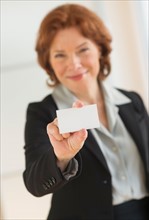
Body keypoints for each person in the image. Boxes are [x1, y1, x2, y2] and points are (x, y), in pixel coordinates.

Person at [23, 3, 149, 220]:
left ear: (100, 50)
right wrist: (61, 157)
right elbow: (36, 184)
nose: (74, 63)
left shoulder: (131, 100)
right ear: (49, 63)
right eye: (60, 55)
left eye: (83, 49)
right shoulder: (42, 112)